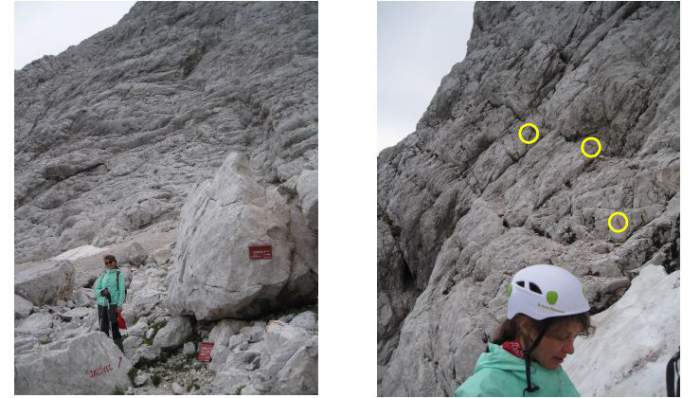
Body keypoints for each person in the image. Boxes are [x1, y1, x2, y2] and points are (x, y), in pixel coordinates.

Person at [455, 264, 593, 397]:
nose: (570, 349)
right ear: (527, 327)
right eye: (562, 336)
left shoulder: (545, 369)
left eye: (574, 337)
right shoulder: (481, 392)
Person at [94, 254, 126, 352]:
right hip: (102, 304)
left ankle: (120, 351)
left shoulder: (119, 274)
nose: (108, 264)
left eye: (110, 262)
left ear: (115, 262)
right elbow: (96, 288)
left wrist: (120, 305)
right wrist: (102, 291)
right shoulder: (103, 274)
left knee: (115, 327)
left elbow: (122, 291)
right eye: (106, 263)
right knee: (103, 328)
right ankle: (107, 352)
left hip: (113, 305)